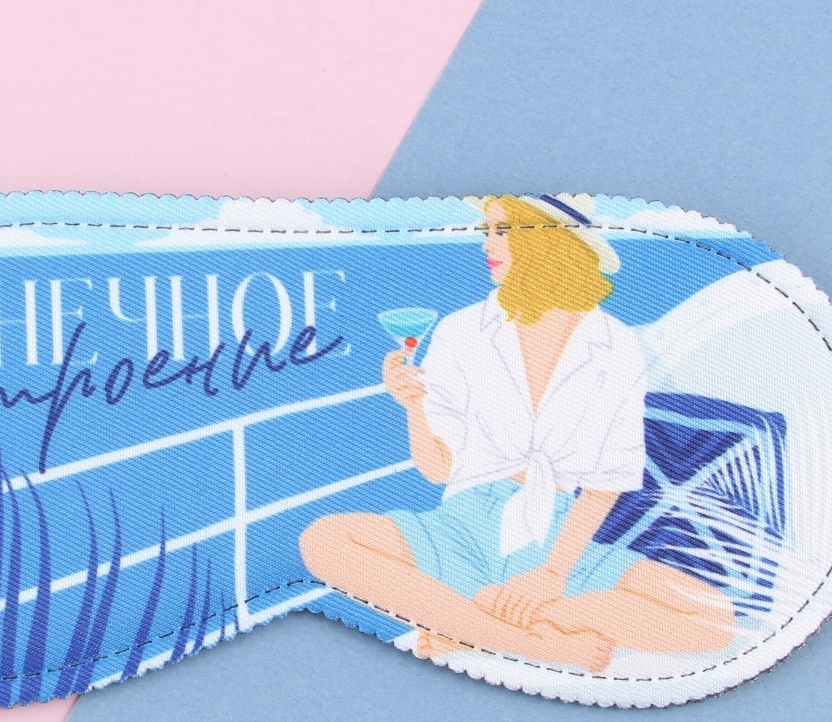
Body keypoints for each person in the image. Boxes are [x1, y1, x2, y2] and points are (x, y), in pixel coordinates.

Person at [299, 196, 737, 672]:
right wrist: (413, 406)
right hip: (464, 525)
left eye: (502, 232)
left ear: (548, 243)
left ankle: (490, 626)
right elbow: (438, 468)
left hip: (560, 535)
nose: (486, 244)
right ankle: (529, 642)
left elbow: (607, 480)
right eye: (486, 231)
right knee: (324, 540)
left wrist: (551, 574)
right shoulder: (462, 331)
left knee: (715, 620)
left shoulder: (615, 344)